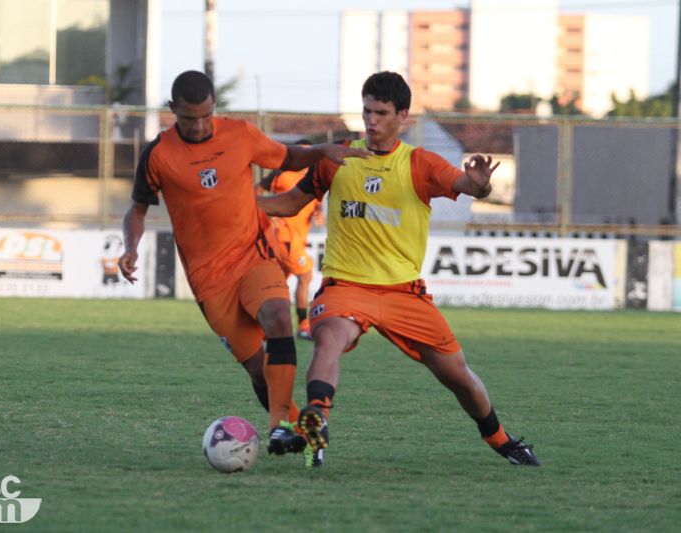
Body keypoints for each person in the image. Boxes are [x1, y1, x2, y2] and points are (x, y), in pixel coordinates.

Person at [257, 71, 540, 468]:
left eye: (381, 112)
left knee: (458, 376)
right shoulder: (337, 158)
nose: (371, 120)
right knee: (328, 339)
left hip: (404, 293)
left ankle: (501, 439)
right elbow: (289, 204)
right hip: (346, 285)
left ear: (402, 116)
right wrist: (242, 208)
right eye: (367, 111)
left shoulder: (419, 164)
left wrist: (480, 186)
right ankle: (315, 422)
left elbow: (467, 184)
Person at [118, 70, 370, 457]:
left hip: (254, 253)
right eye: (189, 118)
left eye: (206, 115)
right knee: (257, 369)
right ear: (173, 111)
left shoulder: (240, 134)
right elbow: (136, 211)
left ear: (214, 105)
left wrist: (321, 150)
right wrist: (131, 247)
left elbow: (287, 156)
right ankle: (300, 430)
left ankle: (277, 429)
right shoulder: (158, 154)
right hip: (208, 279)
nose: (200, 125)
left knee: (278, 317)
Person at [254, 139, 323, 341]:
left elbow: (317, 203)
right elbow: (256, 190)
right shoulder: (282, 174)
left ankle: (257, 327)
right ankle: (303, 325)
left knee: (275, 285)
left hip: (298, 239)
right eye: (303, 153)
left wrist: (318, 213)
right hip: (285, 237)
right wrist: (267, 214)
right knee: (305, 275)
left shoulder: (315, 177)